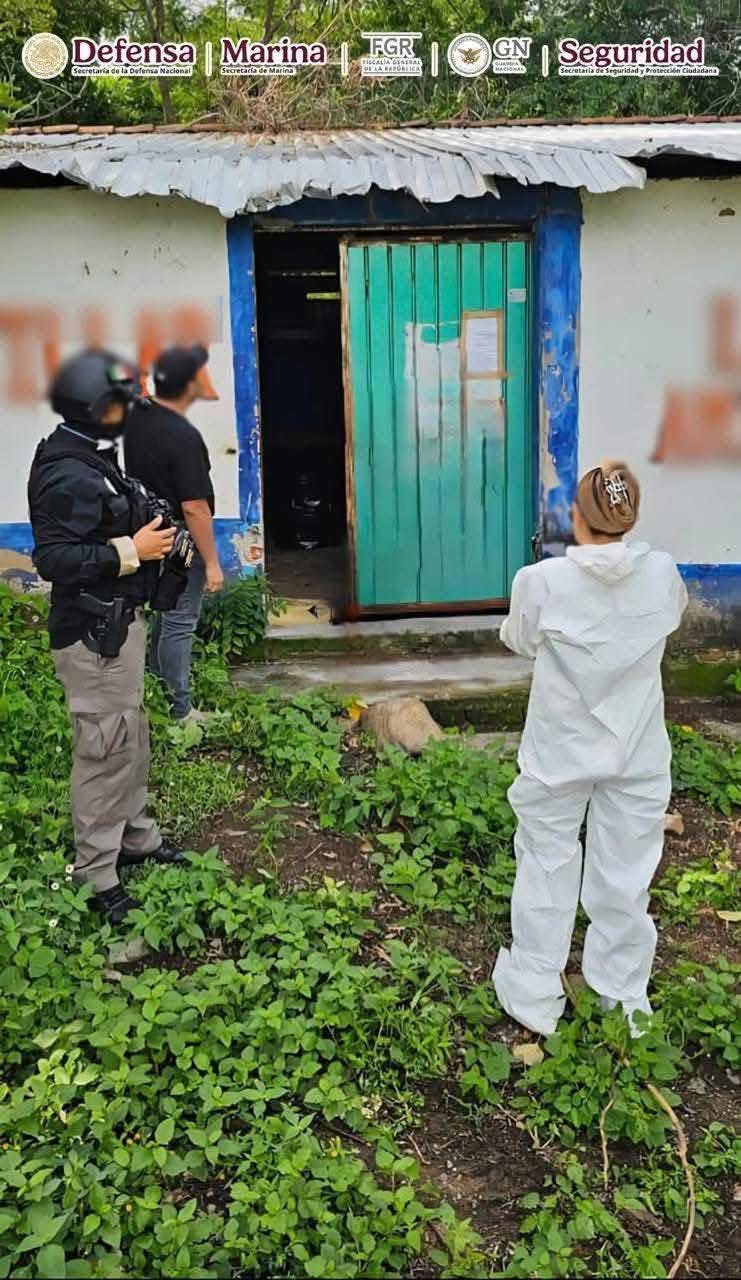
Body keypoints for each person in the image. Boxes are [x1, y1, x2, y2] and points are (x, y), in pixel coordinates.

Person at [493, 461, 688, 1036]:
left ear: (577, 516)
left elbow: (520, 639)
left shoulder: (541, 581)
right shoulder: (663, 574)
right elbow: (671, 617)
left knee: (546, 859)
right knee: (627, 872)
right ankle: (623, 999)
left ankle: (534, 994)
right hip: (637, 748)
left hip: (560, 749)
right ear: (631, 518)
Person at [28, 349, 188, 925]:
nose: (130, 411)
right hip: (93, 635)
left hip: (117, 629)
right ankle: (97, 873)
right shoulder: (66, 471)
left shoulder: (90, 455)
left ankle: (136, 838)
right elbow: (54, 559)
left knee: (129, 737)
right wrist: (132, 550)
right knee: (103, 750)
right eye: (121, 403)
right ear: (95, 408)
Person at [124, 345, 224, 723]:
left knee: (164, 616)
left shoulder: (138, 421)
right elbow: (194, 507)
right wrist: (211, 563)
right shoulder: (181, 435)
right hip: (181, 540)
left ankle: (157, 694)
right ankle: (179, 711)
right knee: (179, 623)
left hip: (152, 532)